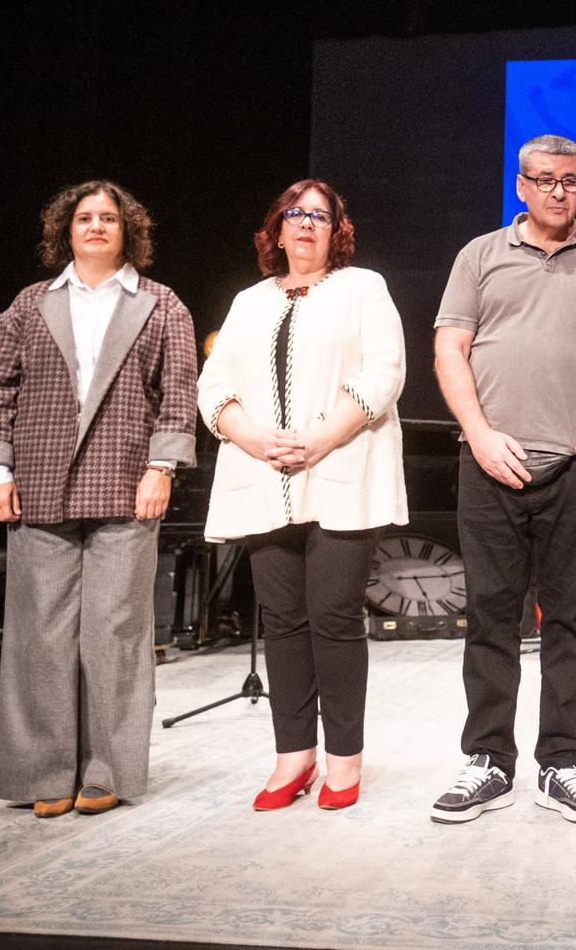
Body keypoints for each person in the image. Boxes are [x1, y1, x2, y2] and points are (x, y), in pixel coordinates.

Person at [430, 135, 576, 825]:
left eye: (572, 182)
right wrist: (477, 431)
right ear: (521, 186)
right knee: (491, 617)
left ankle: (561, 761)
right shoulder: (480, 255)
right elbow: (449, 346)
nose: (561, 192)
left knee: (570, 619)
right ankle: (489, 761)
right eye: (547, 181)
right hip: (491, 460)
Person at [0, 180, 198, 816]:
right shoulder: (31, 303)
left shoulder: (160, 304)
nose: (96, 227)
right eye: (84, 218)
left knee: (115, 634)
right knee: (38, 635)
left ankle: (107, 769)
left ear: (129, 232)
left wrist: (162, 468)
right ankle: (44, 772)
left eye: (109, 219)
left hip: (126, 484)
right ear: (65, 231)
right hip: (38, 486)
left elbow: (178, 393)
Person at [198, 179, 407, 812]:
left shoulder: (362, 288)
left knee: (334, 615)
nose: (307, 225)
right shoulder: (248, 300)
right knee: (283, 619)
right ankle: (294, 757)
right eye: (295, 214)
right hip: (263, 477)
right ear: (277, 228)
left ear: (335, 230)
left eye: (320, 216)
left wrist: (318, 440)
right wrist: (257, 440)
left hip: (341, 469)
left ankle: (344, 761)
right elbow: (215, 386)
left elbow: (385, 371)